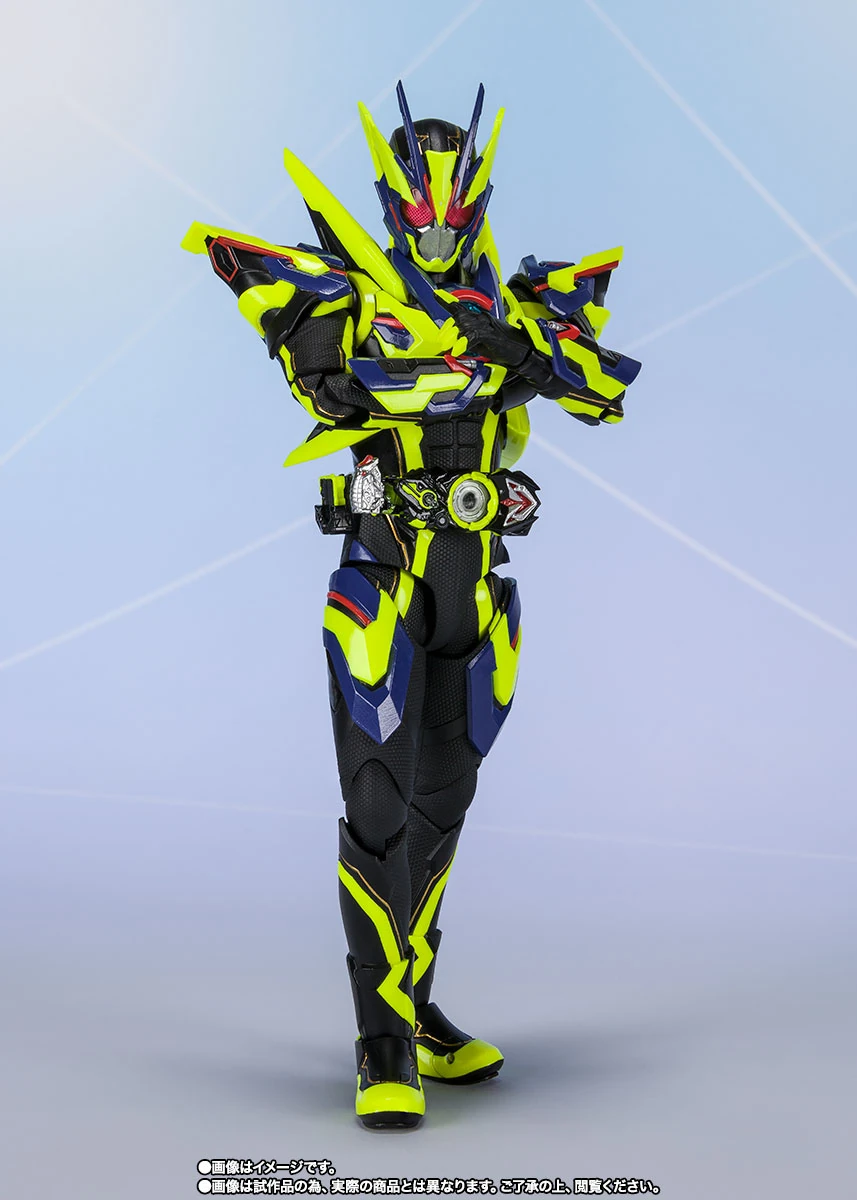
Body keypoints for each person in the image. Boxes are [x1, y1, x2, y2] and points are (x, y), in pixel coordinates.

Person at [182, 81, 641, 1130]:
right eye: (418, 210)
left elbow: (601, 392)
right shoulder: (339, 295)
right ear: (392, 202)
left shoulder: (521, 304)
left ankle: (417, 1012)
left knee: (443, 805)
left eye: (452, 210)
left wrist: (510, 345)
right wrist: (449, 363)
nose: (435, 227)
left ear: (477, 201)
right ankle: (379, 1042)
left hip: (472, 584)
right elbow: (329, 389)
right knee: (379, 803)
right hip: (381, 575)